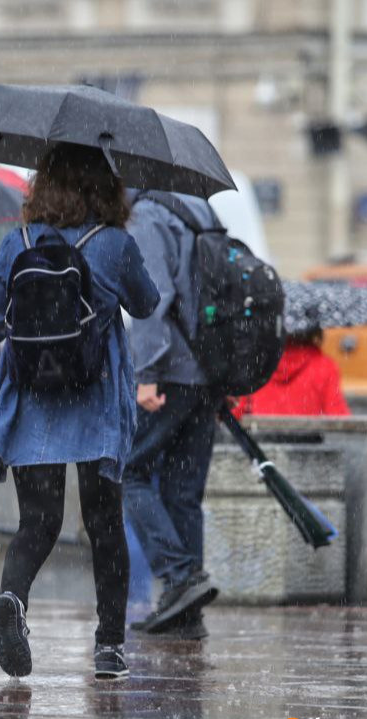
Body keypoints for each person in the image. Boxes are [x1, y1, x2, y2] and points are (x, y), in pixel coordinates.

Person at [0, 144, 159, 680]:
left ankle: (12, 598)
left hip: (30, 403)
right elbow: (147, 304)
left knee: (37, 522)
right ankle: (109, 646)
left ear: (44, 185)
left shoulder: (19, 241)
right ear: (105, 189)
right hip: (95, 402)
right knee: (105, 524)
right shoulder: (114, 244)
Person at [123, 191, 224, 640]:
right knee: (184, 491)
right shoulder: (200, 209)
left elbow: (153, 299)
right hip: (209, 368)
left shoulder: (147, 215)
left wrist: (147, 373)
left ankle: (179, 575)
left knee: (129, 471)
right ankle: (187, 613)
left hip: (170, 369)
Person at [232, 330, 350, 417]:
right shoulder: (324, 365)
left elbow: (237, 412)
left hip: (261, 446)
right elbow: (338, 415)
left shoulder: (257, 364)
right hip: (311, 447)